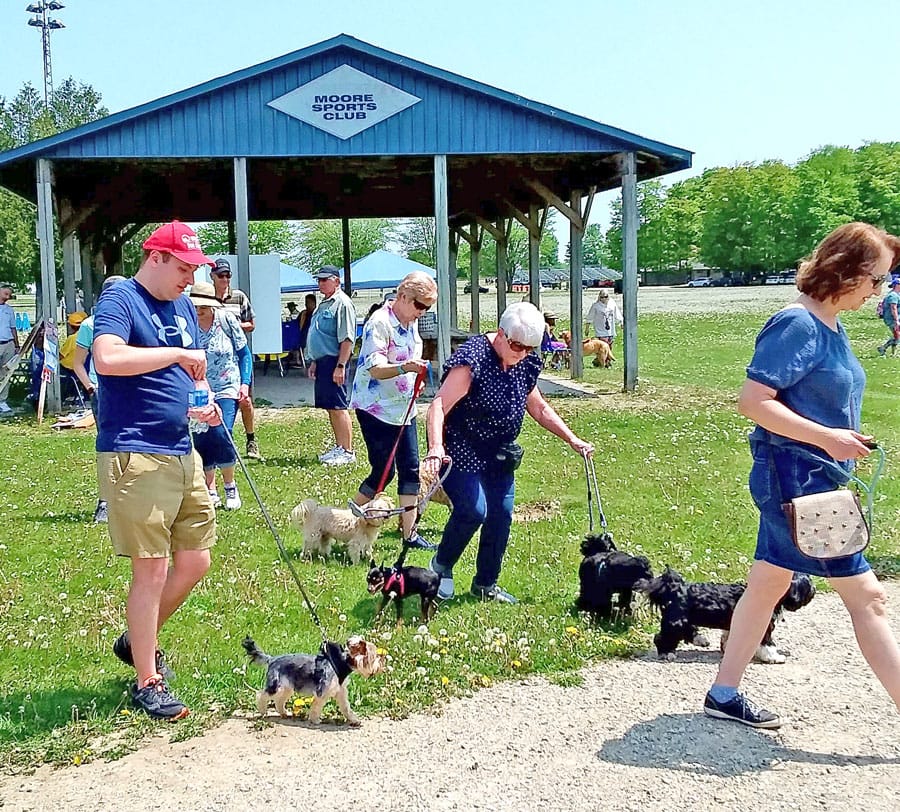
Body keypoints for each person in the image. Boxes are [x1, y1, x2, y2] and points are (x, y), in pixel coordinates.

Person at [705, 222, 900, 730]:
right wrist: (828, 439)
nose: (879, 290)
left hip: (812, 476)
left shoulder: (830, 324)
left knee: (767, 584)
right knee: (869, 598)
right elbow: (753, 402)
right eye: (876, 279)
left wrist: (841, 440)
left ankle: (724, 693)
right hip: (799, 481)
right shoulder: (797, 324)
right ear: (845, 270)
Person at [92, 220, 221, 721]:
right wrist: (177, 353)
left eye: (195, 269)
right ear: (156, 257)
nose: (191, 279)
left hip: (181, 446)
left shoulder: (183, 306)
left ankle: (135, 639)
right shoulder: (121, 298)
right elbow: (107, 358)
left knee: (196, 560)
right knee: (151, 569)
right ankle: (148, 680)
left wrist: (202, 406)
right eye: (184, 268)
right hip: (135, 450)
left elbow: (183, 377)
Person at [423, 302, 594, 603]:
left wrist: (572, 439)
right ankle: (441, 566)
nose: (522, 354)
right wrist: (436, 446)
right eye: (517, 346)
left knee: (501, 515)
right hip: (461, 449)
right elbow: (438, 406)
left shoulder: (524, 362)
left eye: (530, 348)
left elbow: (538, 407)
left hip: (499, 452)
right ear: (501, 334)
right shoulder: (473, 359)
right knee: (473, 511)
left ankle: (485, 584)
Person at [349, 271, 437, 550]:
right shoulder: (379, 322)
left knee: (411, 470)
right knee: (383, 472)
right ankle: (346, 521)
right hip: (375, 409)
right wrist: (405, 368)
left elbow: (412, 360)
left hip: (403, 408)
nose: (422, 312)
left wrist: (415, 381)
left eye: (427, 307)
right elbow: (375, 368)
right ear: (403, 296)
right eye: (420, 305)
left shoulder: (411, 323)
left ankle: (410, 535)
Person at [189, 281, 253, 510]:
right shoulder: (186, 324)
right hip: (198, 388)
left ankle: (230, 485)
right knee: (202, 435)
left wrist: (244, 385)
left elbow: (245, 354)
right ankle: (210, 488)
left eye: (203, 307)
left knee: (221, 432)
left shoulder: (226, 320)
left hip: (227, 385)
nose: (199, 311)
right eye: (195, 307)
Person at [72, 275, 128, 524]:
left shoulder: (134, 320)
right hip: (104, 391)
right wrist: (91, 387)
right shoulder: (90, 325)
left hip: (132, 390)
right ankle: (105, 502)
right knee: (108, 446)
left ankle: (128, 498)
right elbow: (77, 363)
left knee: (134, 445)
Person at [210, 259, 261, 459]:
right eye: (221, 275)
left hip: (237, 354)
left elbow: (252, 324)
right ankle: (216, 442)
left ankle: (251, 439)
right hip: (216, 359)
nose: (225, 279)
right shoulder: (206, 298)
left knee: (245, 400)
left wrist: (233, 326)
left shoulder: (239, 297)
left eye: (228, 275)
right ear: (212, 276)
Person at [307, 265, 357, 466]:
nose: (320, 283)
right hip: (323, 361)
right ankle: (339, 446)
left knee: (338, 406)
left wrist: (341, 365)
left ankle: (347, 451)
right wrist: (314, 361)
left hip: (335, 360)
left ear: (336, 280)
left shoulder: (342, 304)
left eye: (324, 279)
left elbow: (347, 338)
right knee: (330, 406)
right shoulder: (324, 304)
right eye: (318, 280)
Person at [0, 286, 20, 414]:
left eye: (9, 295)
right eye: (6, 294)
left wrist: (17, 345)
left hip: (8, 343)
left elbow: (13, 328)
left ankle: (2, 400)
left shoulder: (9, 310)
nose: (7, 297)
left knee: (6, 372)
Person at [877, 275, 900, 357]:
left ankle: (893, 352)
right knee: (897, 336)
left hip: (896, 318)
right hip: (892, 319)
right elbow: (893, 308)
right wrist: (896, 320)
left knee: (897, 336)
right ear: (896, 285)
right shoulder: (893, 295)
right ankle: (883, 348)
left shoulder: (897, 294)